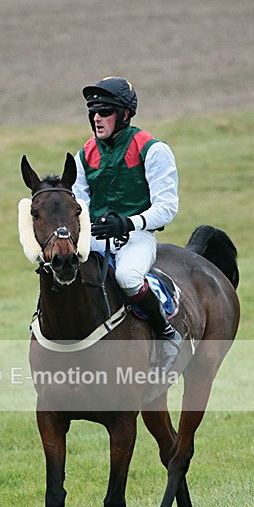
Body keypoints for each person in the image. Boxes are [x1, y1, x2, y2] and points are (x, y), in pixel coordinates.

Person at [73, 76, 182, 369]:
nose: (96, 118)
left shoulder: (153, 149)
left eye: (104, 111)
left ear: (124, 114)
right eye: (92, 112)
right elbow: (79, 204)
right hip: (96, 238)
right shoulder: (83, 155)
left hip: (136, 238)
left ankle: (167, 334)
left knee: (128, 278)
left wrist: (127, 224)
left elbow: (167, 208)